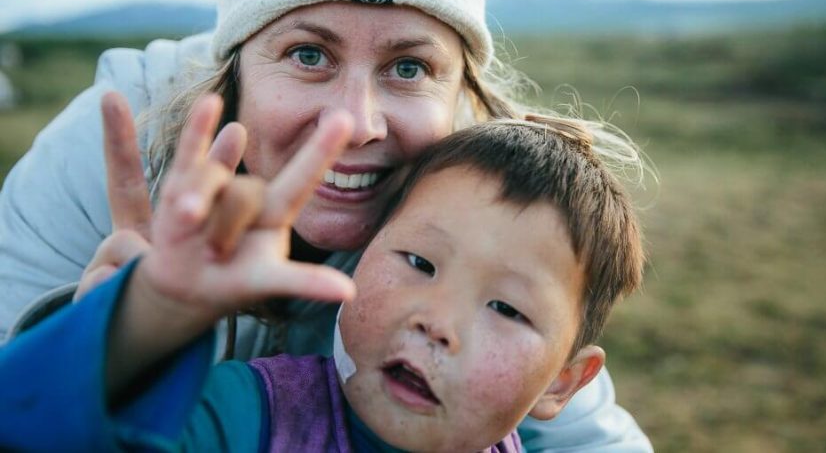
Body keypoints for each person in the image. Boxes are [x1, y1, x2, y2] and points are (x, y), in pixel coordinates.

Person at [0, 0, 652, 449]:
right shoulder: (108, 156)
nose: (357, 121)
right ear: (236, 70)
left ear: (461, 97)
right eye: (309, 54)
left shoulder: (470, 201)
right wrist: (133, 328)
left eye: (408, 67)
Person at [0, 107, 644, 451]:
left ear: (562, 382)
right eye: (419, 264)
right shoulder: (246, 416)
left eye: (506, 308)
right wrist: (148, 317)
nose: (436, 322)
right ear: (359, 253)